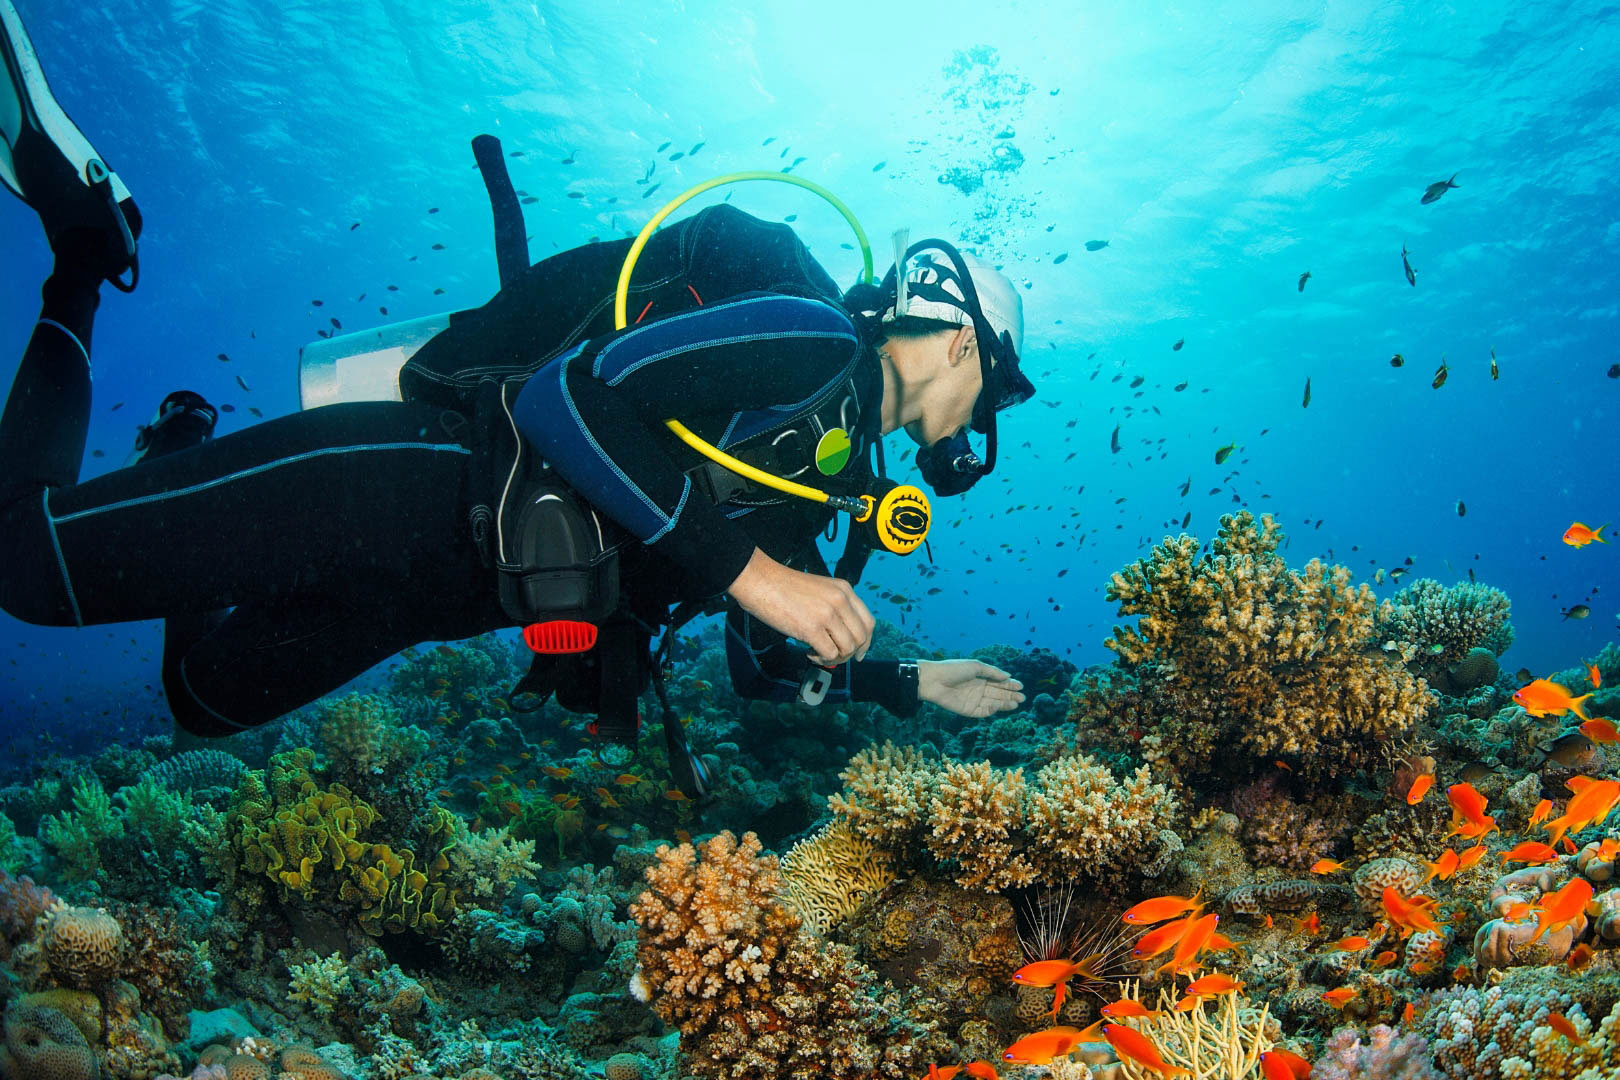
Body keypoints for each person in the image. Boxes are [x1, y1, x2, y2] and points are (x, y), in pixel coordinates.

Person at [0, 3, 1029, 776]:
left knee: (201, 703)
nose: (984, 420)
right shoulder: (810, 341)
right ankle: (86, 254)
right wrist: (754, 574)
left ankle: (176, 450)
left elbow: (763, 667)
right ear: (957, 347)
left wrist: (909, 680)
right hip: (413, 484)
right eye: (997, 386)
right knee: (26, 566)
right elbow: (567, 400)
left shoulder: (829, 482)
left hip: (431, 598)